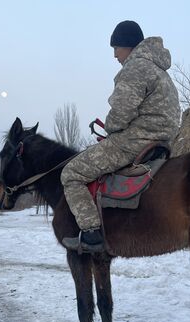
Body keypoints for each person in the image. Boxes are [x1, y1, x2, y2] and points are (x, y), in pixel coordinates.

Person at [61, 20, 180, 253]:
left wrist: (111, 127)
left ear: (127, 46)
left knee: (71, 173)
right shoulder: (159, 70)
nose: (115, 55)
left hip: (134, 141)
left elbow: (121, 114)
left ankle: (91, 233)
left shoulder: (135, 68)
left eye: (116, 48)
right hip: (162, 141)